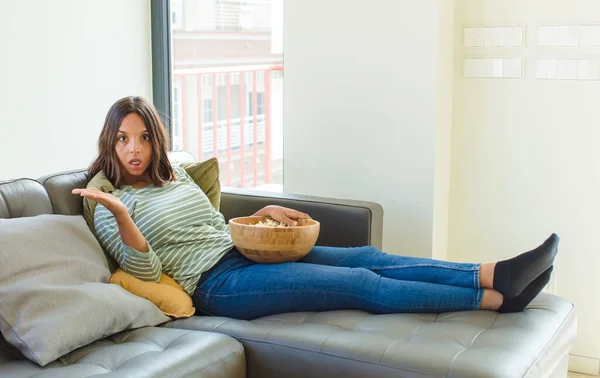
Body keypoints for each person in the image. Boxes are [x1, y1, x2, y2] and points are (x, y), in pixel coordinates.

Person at [73, 96, 559, 320]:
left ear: (155, 141)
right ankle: (496, 300)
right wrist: (120, 216)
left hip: (243, 253)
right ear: (109, 142)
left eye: (141, 137)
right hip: (217, 285)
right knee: (360, 284)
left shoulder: (173, 174)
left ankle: (494, 272)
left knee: (368, 257)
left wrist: (262, 213)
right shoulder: (110, 198)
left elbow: (211, 225)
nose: (132, 149)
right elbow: (148, 268)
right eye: (122, 138)